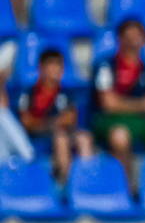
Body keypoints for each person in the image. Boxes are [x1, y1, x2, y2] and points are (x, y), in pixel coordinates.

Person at [92, 19, 145, 191]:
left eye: (137, 36)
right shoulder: (106, 67)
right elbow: (108, 104)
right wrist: (143, 105)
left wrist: (125, 104)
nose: (133, 40)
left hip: (142, 124)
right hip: (109, 121)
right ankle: (126, 188)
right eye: (128, 36)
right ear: (119, 39)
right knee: (120, 136)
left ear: (144, 40)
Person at [17, 47, 90, 182]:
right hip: (38, 138)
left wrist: (41, 122)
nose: (56, 69)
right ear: (41, 67)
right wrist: (53, 123)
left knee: (84, 138)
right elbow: (27, 123)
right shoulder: (28, 94)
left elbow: (70, 119)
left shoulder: (67, 93)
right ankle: (66, 183)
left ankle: (85, 184)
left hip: (63, 133)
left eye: (59, 65)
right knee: (61, 138)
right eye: (52, 64)